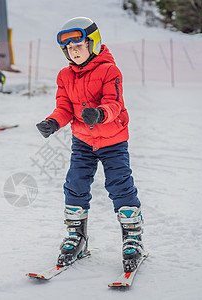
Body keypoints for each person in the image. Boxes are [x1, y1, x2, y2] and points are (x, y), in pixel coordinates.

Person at [35, 17, 145, 273]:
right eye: (69, 49)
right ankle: (77, 236)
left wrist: (99, 114)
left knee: (119, 184)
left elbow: (114, 103)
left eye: (79, 46)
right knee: (75, 183)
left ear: (92, 44)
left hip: (112, 140)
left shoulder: (110, 70)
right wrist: (53, 122)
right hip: (83, 141)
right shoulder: (64, 75)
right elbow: (64, 108)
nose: (74, 52)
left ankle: (133, 238)